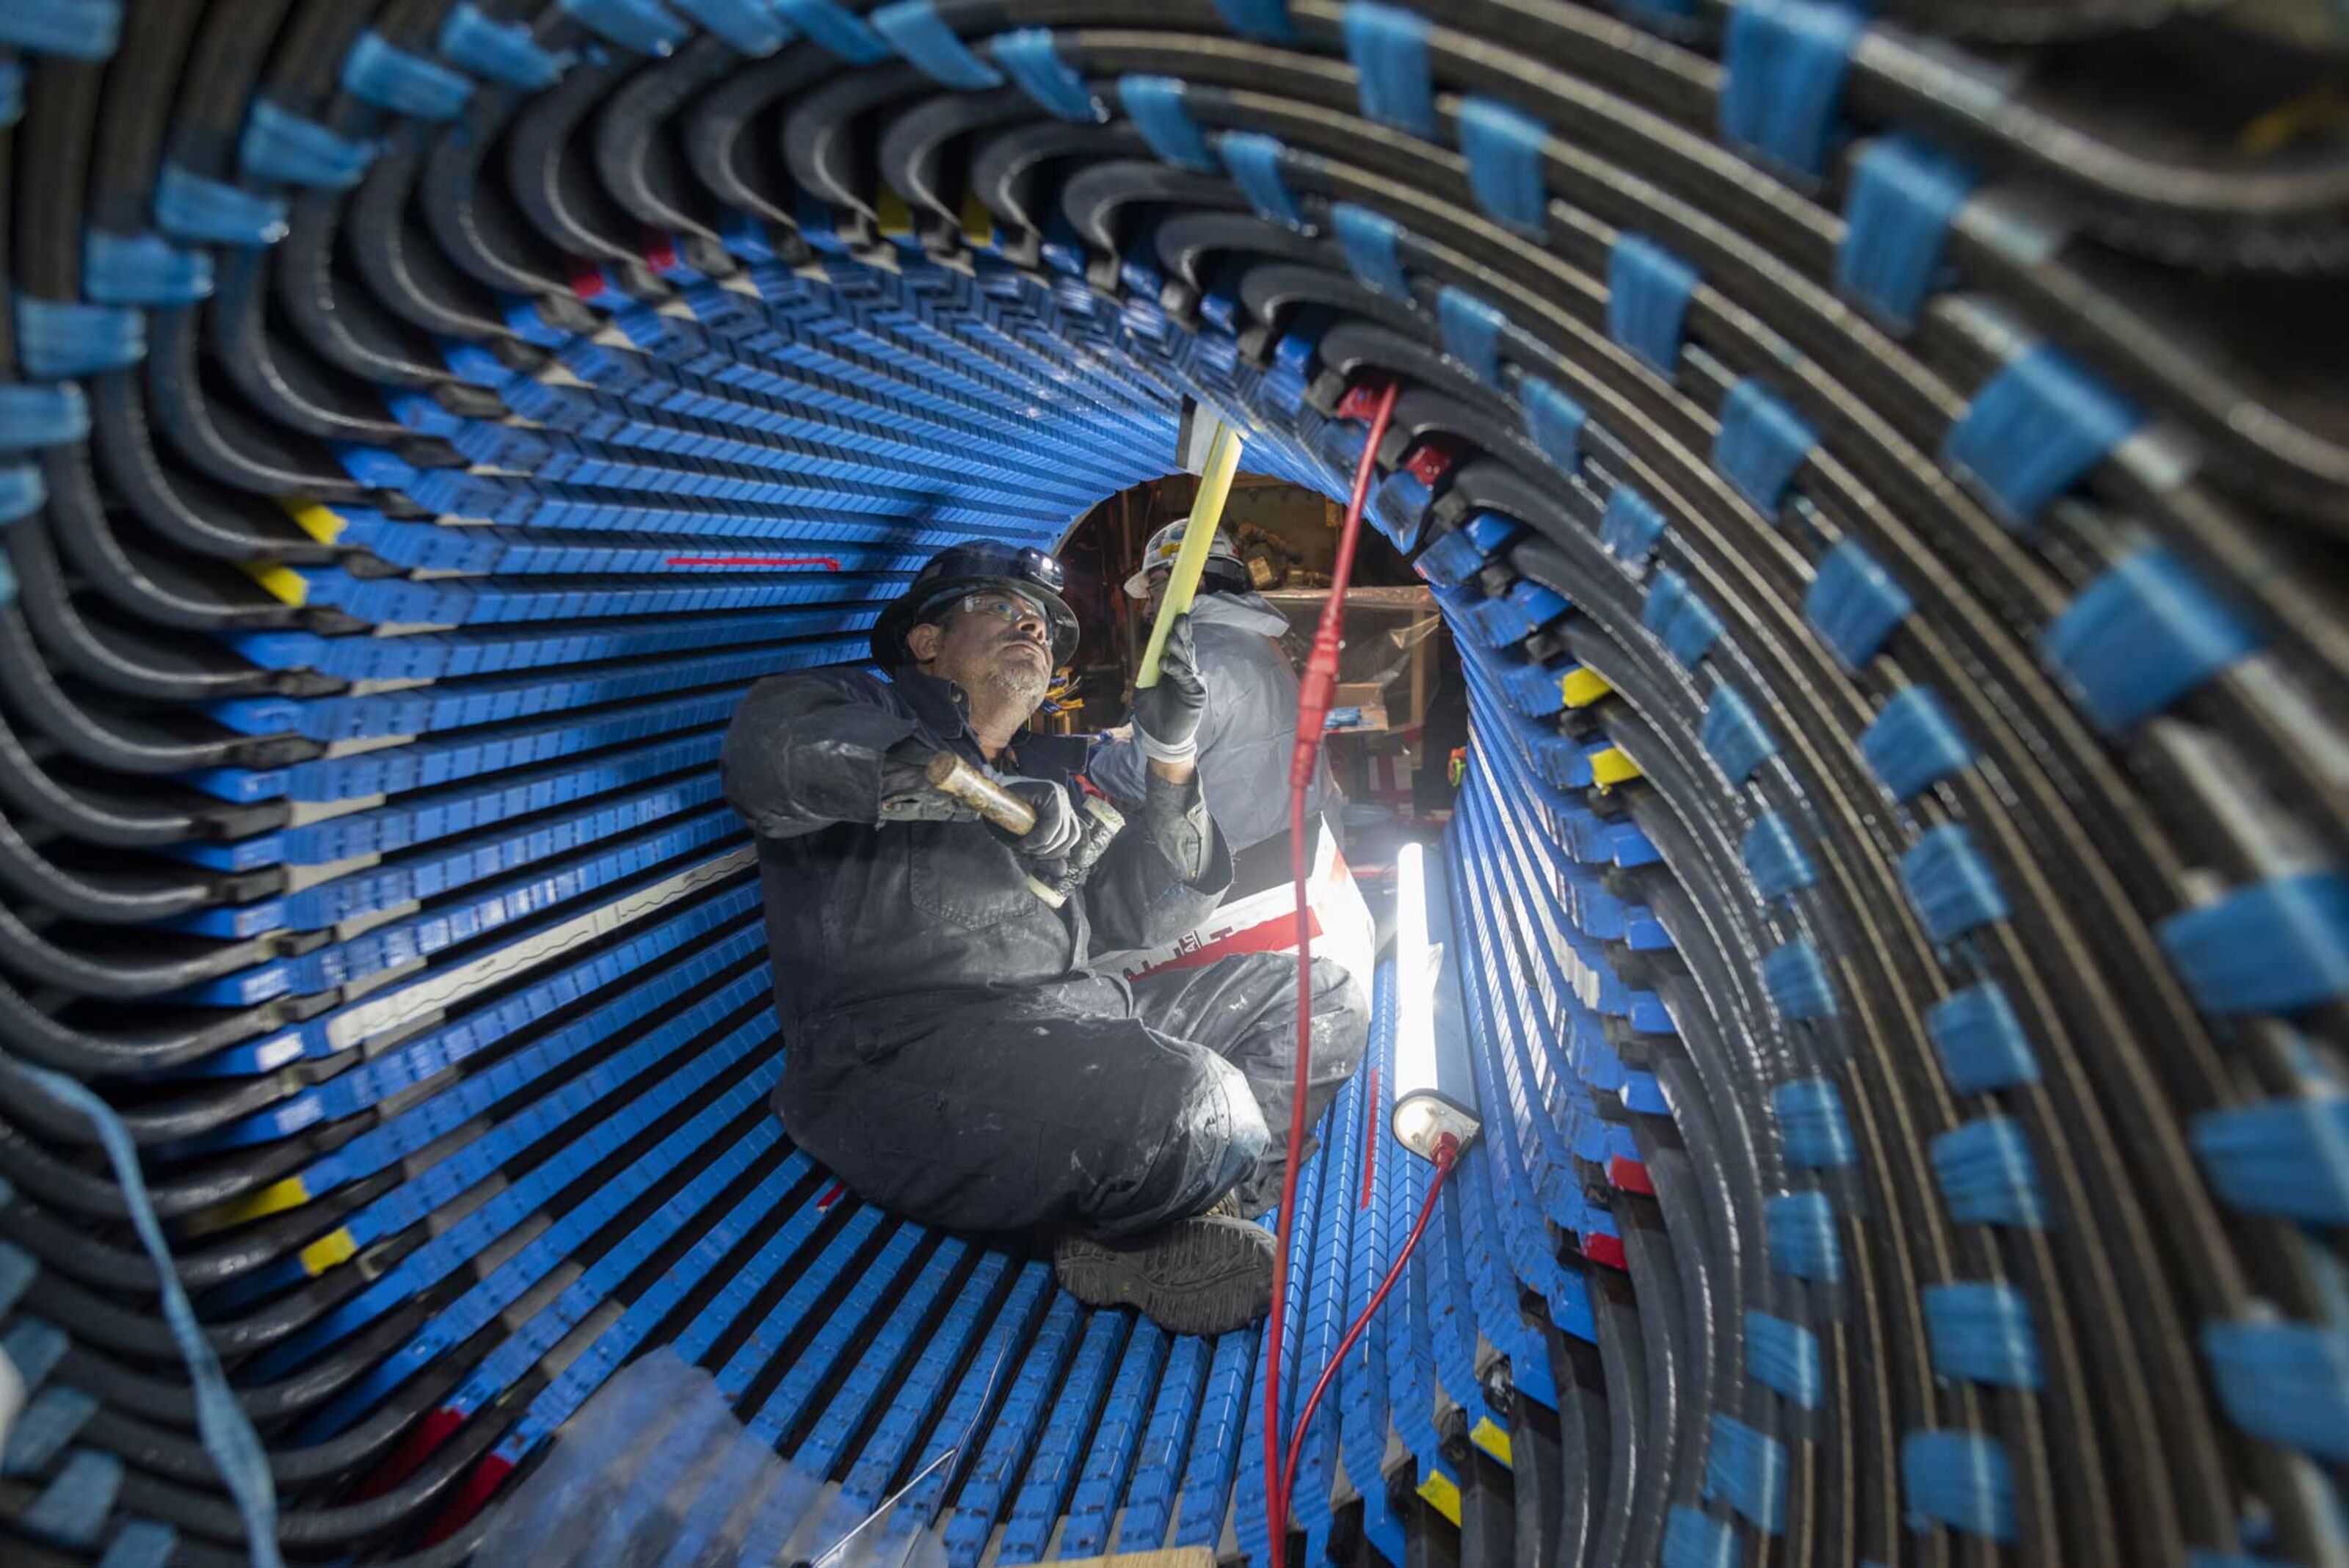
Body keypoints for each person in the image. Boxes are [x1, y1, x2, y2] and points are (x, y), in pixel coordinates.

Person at [720, 541, 1367, 1335]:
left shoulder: (1056, 769)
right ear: (926, 642)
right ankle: (1156, 1200)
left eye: (1044, 626)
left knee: (1319, 994)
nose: (1030, 627)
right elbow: (773, 760)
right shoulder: (852, 705)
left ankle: (1192, 1224)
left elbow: (1146, 913)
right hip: (903, 1065)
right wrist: (977, 795)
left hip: (1077, 1030)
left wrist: (1169, 757)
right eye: (1001, 608)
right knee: (1189, 1099)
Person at [1092, 521, 1338, 899]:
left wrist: (1093, 755)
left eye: (1155, 589)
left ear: (1195, 582)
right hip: (1304, 844)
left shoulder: (1193, 661)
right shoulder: (1252, 639)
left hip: (1242, 872)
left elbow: (1143, 777)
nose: (1148, 608)